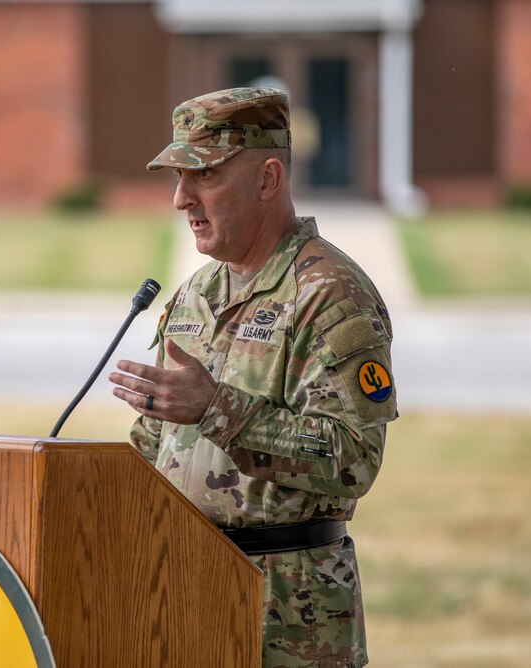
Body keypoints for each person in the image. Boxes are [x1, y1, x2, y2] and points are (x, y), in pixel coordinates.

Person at [108, 87, 397, 668]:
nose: (180, 198)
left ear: (268, 179)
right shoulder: (196, 293)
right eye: (177, 178)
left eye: (204, 176)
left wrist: (219, 409)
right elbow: (156, 442)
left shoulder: (330, 295)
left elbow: (354, 458)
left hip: (290, 619)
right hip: (184, 596)